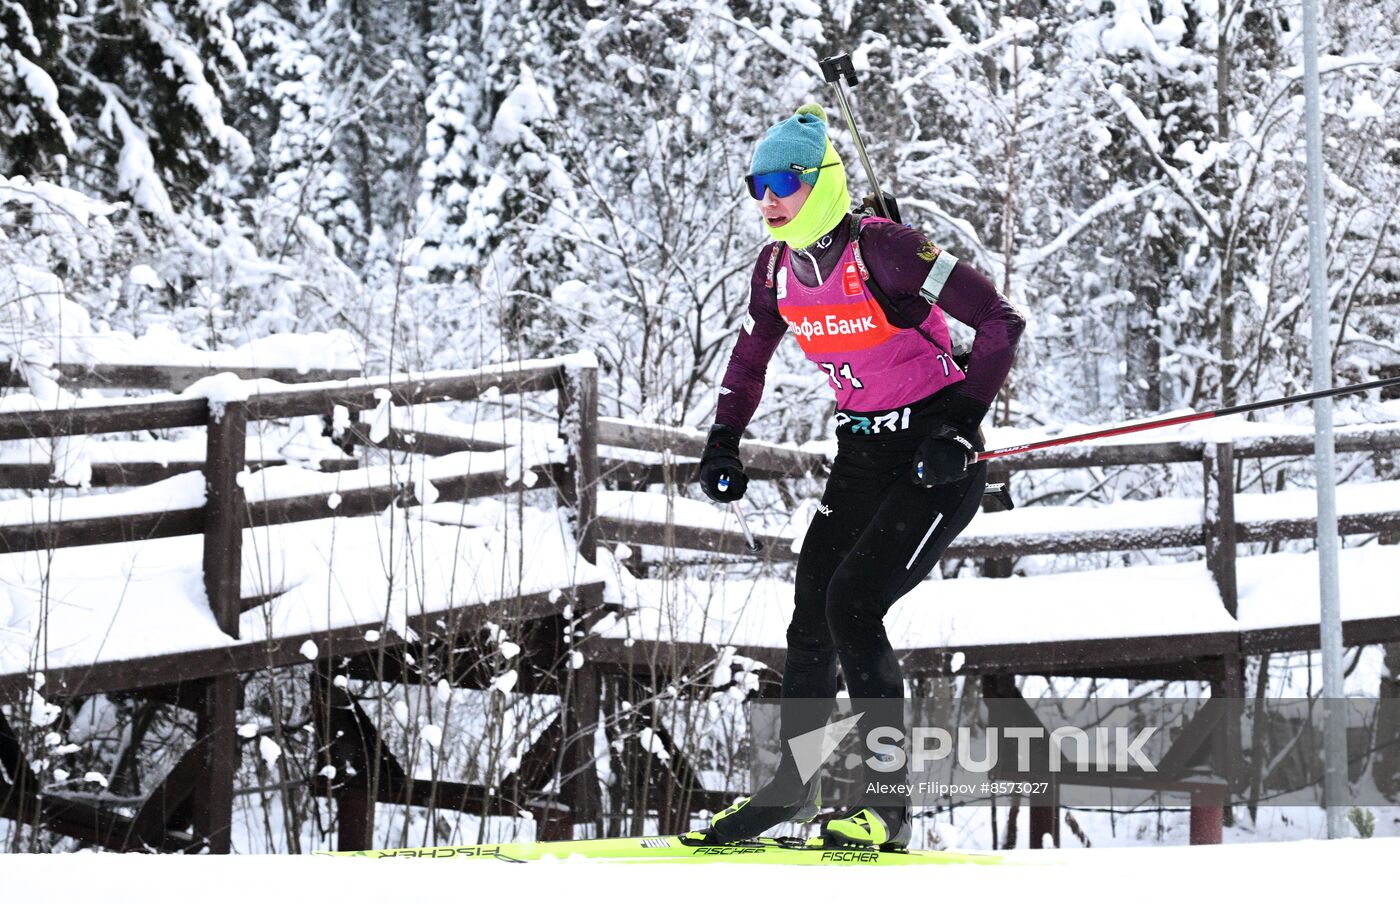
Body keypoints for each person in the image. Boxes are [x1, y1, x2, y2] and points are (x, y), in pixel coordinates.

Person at [691, 104, 1025, 850]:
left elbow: (1001, 321)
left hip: (935, 459)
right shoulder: (777, 269)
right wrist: (723, 442)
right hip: (863, 455)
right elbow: (748, 362)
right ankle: (788, 793)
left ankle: (886, 809)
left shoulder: (890, 251)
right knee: (810, 613)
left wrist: (962, 425)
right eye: (757, 184)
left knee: (853, 601)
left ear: (824, 183)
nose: (768, 198)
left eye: (784, 181)